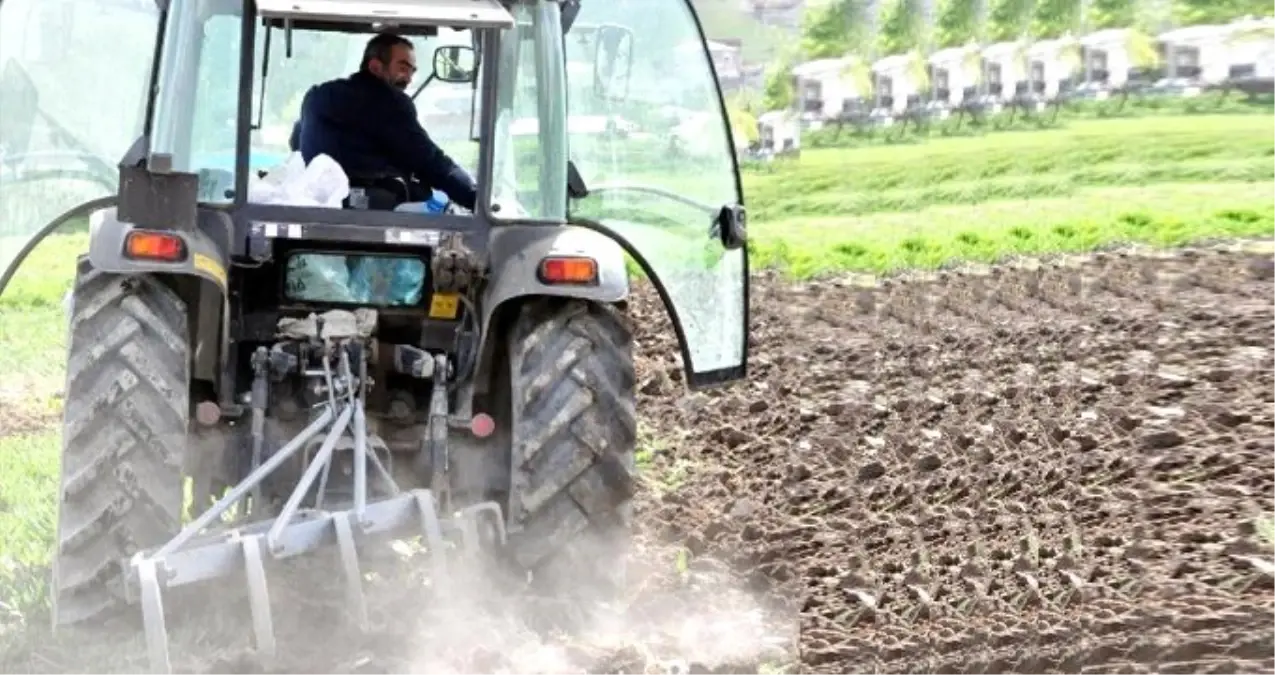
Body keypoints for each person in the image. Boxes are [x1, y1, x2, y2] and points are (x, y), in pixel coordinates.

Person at [293, 32, 477, 211]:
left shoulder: (316, 96)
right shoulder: (388, 102)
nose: (408, 79)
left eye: (411, 72)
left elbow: (296, 141)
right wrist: (475, 198)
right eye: (402, 68)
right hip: (382, 215)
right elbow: (430, 162)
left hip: (319, 207)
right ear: (375, 67)